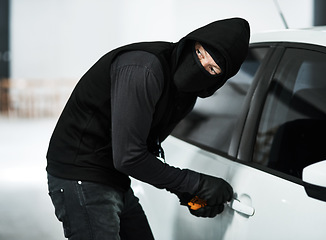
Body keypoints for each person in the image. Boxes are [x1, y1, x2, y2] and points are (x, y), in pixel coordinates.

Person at [46, 17, 250, 240]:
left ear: (219, 80)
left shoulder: (185, 95)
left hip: (114, 177)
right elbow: (128, 157)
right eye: (200, 53)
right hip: (80, 173)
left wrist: (188, 193)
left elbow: (145, 146)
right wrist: (197, 184)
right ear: (192, 42)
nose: (200, 66)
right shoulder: (143, 69)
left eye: (212, 68)